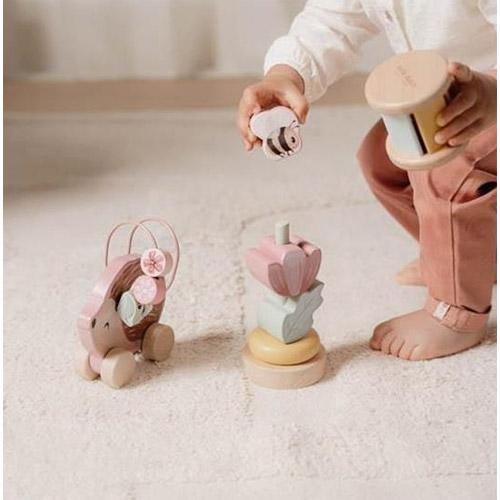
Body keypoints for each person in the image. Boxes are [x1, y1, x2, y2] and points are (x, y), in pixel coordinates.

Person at [237, 0, 497, 361]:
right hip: (442, 100)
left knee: (445, 175)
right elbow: (332, 21)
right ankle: (471, 258)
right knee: (381, 161)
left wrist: (492, 91)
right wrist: (285, 76)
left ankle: (456, 314)